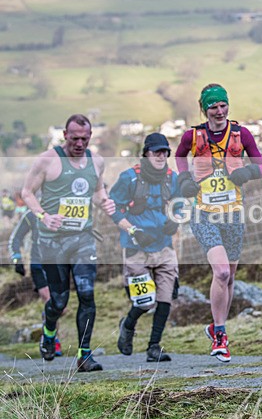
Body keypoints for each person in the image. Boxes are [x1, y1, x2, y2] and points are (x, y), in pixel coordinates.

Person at [175, 84, 262, 362]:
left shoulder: (242, 134)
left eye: (222, 105)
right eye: (213, 107)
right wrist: (183, 180)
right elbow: (179, 156)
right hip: (204, 212)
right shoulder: (193, 136)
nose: (219, 111)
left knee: (230, 276)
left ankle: (216, 326)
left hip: (233, 212)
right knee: (223, 272)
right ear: (204, 109)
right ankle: (221, 336)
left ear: (228, 106)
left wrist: (248, 172)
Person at [21, 114, 116, 372]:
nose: (79, 143)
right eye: (74, 138)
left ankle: (85, 355)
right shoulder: (47, 161)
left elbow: (96, 191)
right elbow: (26, 193)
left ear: (90, 137)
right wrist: (44, 216)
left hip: (83, 239)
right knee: (59, 302)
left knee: (87, 294)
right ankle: (49, 330)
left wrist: (104, 201)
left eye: (84, 139)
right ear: (65, 134)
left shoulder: (96, 161)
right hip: (52, 243)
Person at [109, 133, 183, 362]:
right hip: (136, 248)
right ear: (146, 153)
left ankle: (154, 347)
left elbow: (181, 204)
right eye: (156, 152)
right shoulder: (129, 178)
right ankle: (128, 324)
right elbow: (114, 208)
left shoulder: (173, 178)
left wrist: (176, 219)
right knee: (144, 302)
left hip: (164, 247)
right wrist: (133, 231)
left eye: (164, 152)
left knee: (165, 299)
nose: (161, 156)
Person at [7, 208, 62, 356]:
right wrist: (17, 258)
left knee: (58, 304)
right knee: (49, 299)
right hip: (38, 263)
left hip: (58, 262)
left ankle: (49, 335)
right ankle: (52, 340)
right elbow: (16, 237)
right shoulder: (31, 214)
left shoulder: (62, 209)